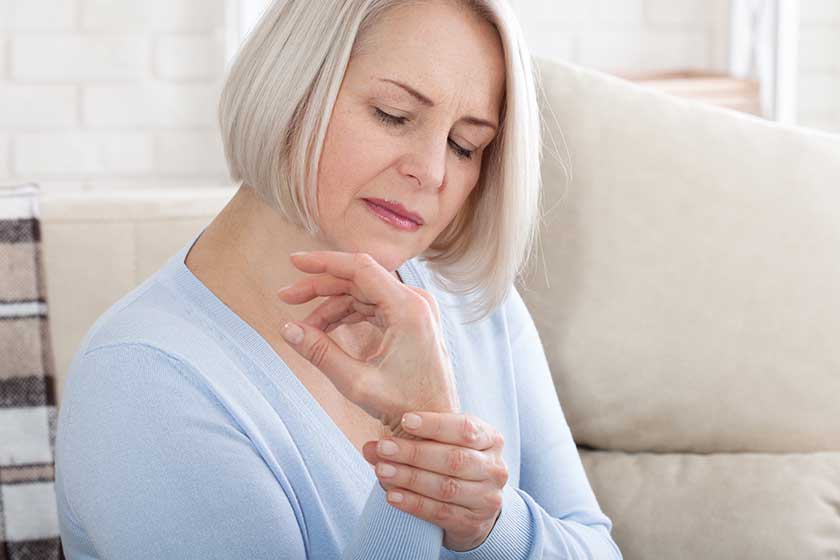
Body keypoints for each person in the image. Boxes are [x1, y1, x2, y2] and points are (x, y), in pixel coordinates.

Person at [54, 0, 622, 558]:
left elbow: (595, 547)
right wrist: (419, 466)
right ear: (293, 86)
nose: (431, 170)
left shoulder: (467, 301)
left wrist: (489, 526)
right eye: (393, 114)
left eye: (464, 144)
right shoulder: (142, 383)